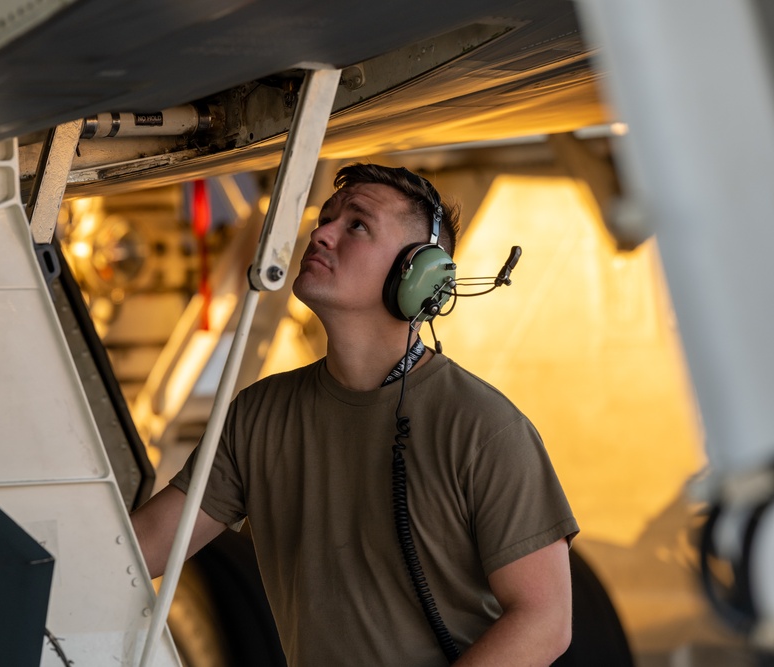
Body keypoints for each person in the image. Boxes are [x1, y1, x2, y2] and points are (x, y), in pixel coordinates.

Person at [132, 164, 578, 666]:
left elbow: (545, 620)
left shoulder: (484, 428)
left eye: (356, 225)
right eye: (326, 219)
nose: (321, 234)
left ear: (419, 275)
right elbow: (143, 550)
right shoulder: (258, 416)